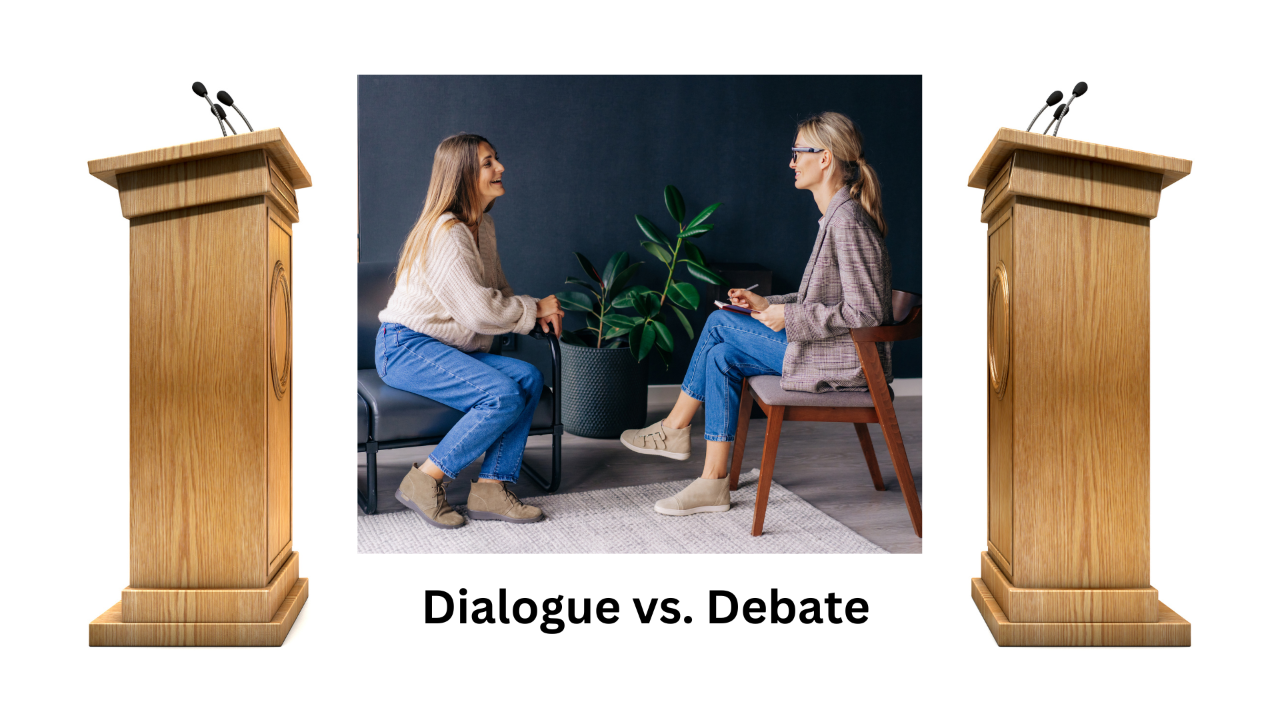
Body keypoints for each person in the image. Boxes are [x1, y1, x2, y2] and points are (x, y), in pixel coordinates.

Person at [619, 111, 894, 516]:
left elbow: (866, 313)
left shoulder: (847, 222)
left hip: (846, 363)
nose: (791, 161)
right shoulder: (836, 217)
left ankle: (675, 428)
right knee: (721, 355)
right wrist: (771, 305)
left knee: (717, 323)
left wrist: (791, 319)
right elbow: (820, 295)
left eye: (798, 152)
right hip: (830, 351)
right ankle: (713, 482)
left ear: (825, 158)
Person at [375, 133, 564, 529]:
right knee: (500, 395)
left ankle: (492, 488)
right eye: (488, 162)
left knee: (528, 378)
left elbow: (497, 290)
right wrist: (532, 309)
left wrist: (533, 312)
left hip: (447, 348)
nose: (501, 168)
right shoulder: (447, 232)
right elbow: (479, 311)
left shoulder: (483, 225)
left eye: (497, 158)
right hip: (406, 346)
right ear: (462, 175)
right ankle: (424, 480)